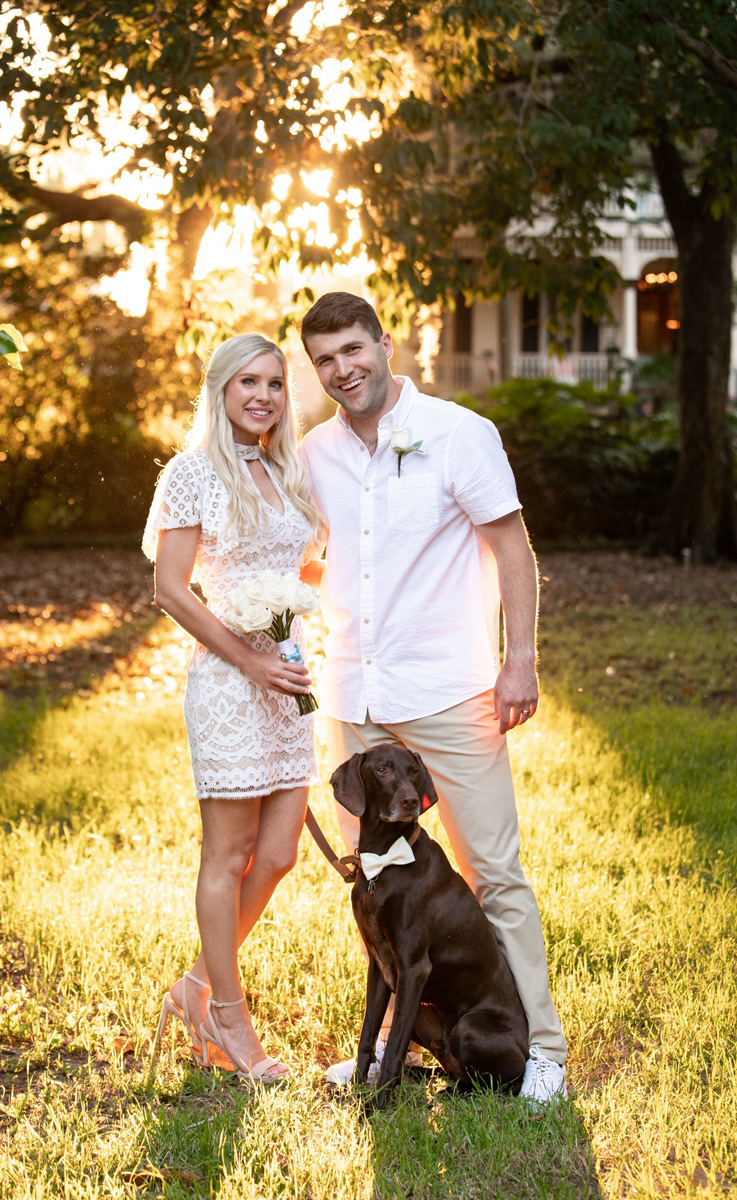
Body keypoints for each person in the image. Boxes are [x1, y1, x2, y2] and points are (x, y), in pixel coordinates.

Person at [298, 292, 568, 1103]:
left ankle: (542, 1051)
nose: (343, 369)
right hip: (356, 695)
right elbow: (307, 554)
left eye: (354, 349)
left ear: (385, 343)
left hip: (451, 691)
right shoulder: (314, 453)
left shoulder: (458, 433)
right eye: (325, 360)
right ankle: (397, 1044)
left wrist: (520, 659)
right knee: (377, 882)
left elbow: (511, 548)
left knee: (494, 873)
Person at [143, 333, 322, 1085]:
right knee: (228, 853)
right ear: (220, 390)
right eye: (248, 382)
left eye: (275, 384)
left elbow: (299, 564)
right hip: (228, 682)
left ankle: (193, 987)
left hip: (288, 678)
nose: (263, 396)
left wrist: (300, 613)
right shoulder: (192, 473)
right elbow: (171, 587)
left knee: (278, 854)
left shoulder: (287, 469)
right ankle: (227, 1014)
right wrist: (247, 657)